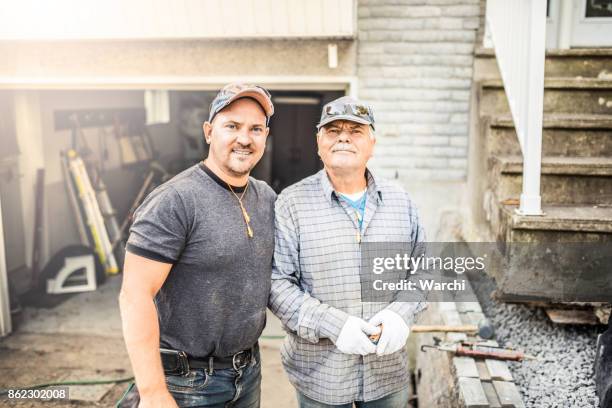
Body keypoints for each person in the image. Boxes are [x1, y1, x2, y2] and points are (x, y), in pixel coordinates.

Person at [119, 83, 276, 408]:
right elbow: (135, 296)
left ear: (265, 136)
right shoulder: (175, 201)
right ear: (208, 132)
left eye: (255, 129)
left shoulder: (267, 198)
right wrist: (152, 392)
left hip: (248, 373)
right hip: (186, 382)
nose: (244, 139)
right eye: (231, 126)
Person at [269, 96, 426, 407]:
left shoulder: (401, 202)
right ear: (318, 143)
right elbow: (277, 284)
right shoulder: (291, 203)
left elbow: (424, 270)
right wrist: (335, 326)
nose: (343, 136)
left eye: (355, 130)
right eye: (332, 130)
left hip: (387, 374)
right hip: (320, 376)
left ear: (372, 143)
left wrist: (401, 315)